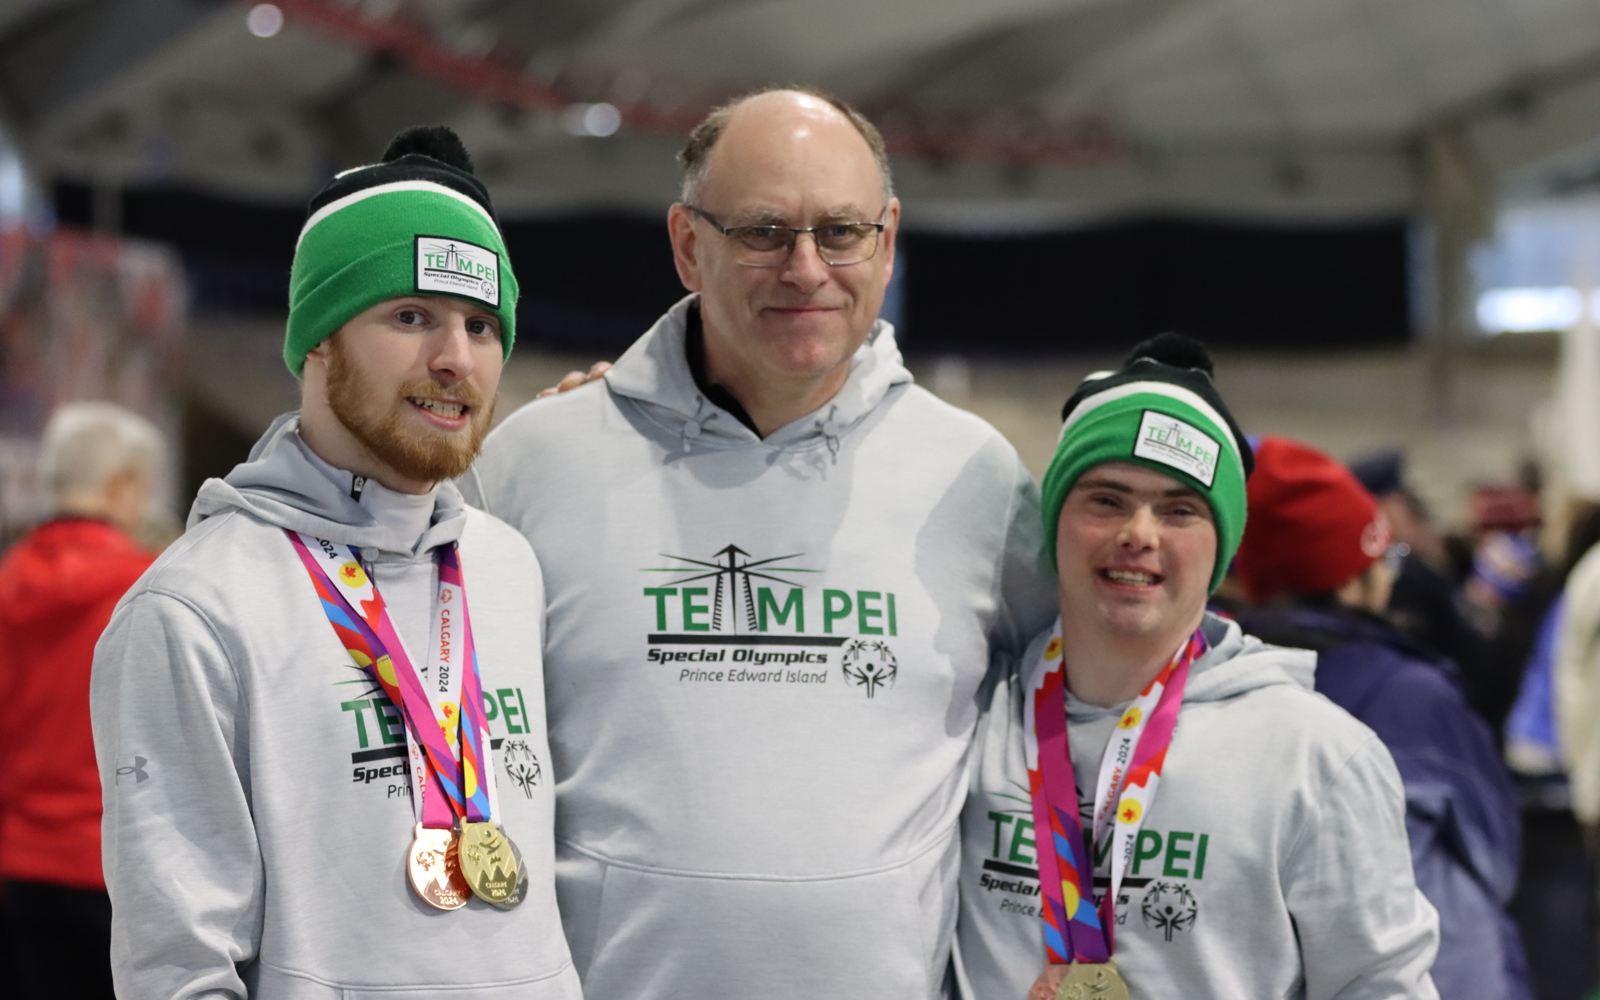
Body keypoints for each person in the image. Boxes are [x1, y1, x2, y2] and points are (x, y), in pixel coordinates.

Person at [460, 88, 1055, 998]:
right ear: (688, 244)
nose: (807, 269)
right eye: (765, 232)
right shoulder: (537, 466)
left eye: (842, 232)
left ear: (887, 241)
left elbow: (1075, 701)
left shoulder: (973, 478)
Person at [90, 126, 581, 999]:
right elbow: (178, 969)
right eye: (410, 317)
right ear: (318, 339)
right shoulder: (196, 608)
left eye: (480, 324)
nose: (455, 359)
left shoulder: (507, 565)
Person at [956, 335, 1439, 1000]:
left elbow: (1384, 987)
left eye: (1179, 509)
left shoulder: (1315, 756)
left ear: (1222, 547)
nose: (1140, 533)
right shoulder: (969, 720)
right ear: (1055, 520)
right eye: (1106, 499)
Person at [1233, 435, 1529, 1000]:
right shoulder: (1411, 694)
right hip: (1439, 972)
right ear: (1351, 579)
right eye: (1384, 558)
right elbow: (1496, 853)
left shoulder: (1221, 685)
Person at [0, 401, 162, 1000]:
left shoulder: (8, 582)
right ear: (120, 485)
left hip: (20, 871)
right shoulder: (151, 590)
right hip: (118, 874)